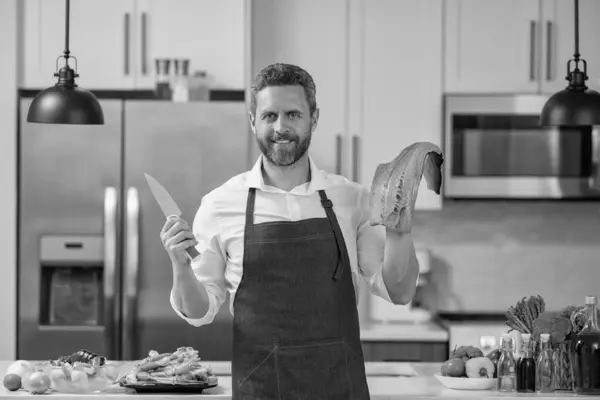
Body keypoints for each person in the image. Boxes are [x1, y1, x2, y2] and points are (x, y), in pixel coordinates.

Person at [161, 63, 420, 400]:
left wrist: (401, 233)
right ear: (253, 120)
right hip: (259, 389)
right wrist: (180, 267)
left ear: (314, 117)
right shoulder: (219, 204)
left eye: (293, 114)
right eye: (269, 116)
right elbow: (200, 313)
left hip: (340, 389)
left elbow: (397, 292)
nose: (280, 127)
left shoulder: (352, 199)